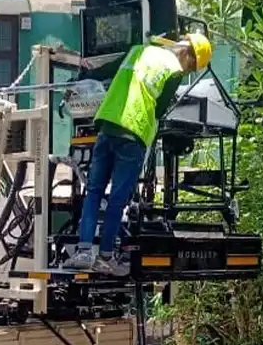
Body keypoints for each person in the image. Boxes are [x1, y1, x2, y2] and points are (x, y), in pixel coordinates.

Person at [66, 33, 213, 275]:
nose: (187, 71)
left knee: (93, 192)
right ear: (188, 55)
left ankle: (83, 252)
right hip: (133, 133)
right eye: (191, 67)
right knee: (117, 199)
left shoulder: (138, 50)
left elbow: (107, 71)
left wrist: (84, 75)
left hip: (107, 124)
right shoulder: (174, 71)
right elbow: (160, 109)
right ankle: (105, 256)